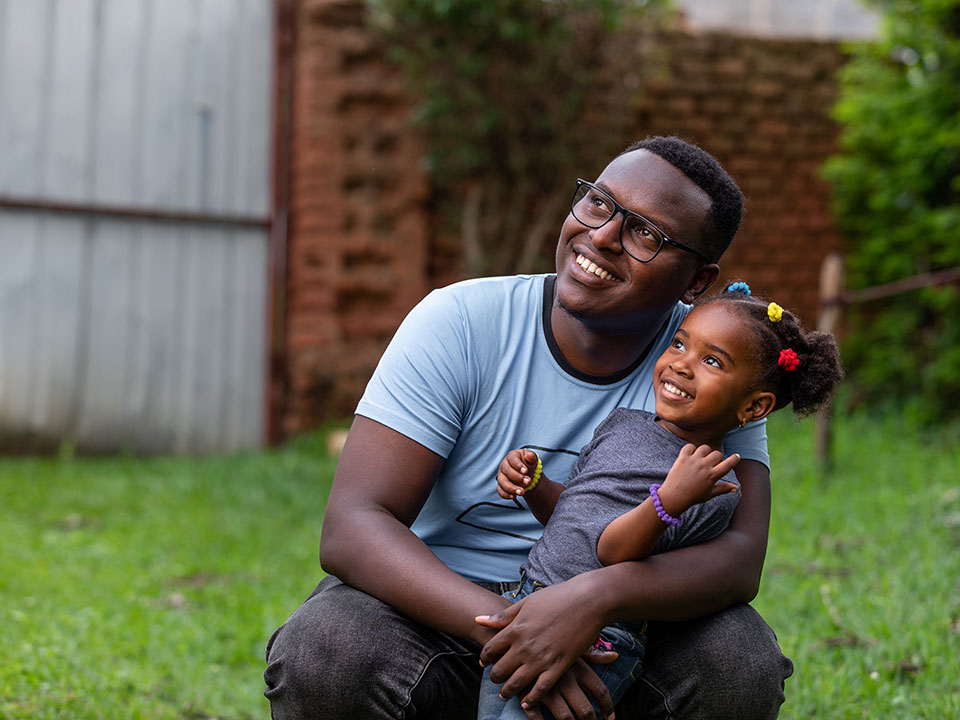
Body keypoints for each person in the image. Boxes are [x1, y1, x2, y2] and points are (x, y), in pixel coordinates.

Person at [264, 136, 795, 720]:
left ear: (697, 282)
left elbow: (740, 559)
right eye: (598, 204)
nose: (601, 237)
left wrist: (592, 600)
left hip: (618, 634)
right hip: (441, 615)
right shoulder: (462, 322)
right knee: (328, 648)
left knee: (738, 660)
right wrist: (522, 633)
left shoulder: (711, 364)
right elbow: (353, 526)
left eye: (645, 234)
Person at [477, 286, 844, 719]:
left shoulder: (712, 486)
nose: (681, 365)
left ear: (754, 405)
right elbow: (575, 515)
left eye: (712, 361)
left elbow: (614, 553)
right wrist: (535, 483)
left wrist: (668, 500)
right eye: (679, 344)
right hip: (533, 602)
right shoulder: (624, 424)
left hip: (601, 634)